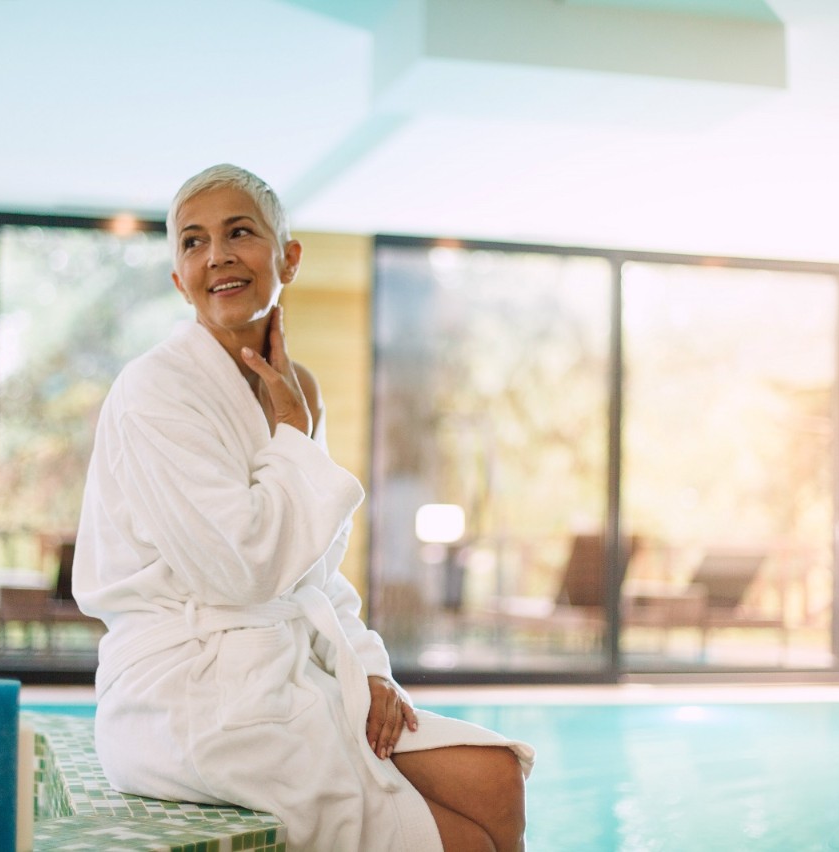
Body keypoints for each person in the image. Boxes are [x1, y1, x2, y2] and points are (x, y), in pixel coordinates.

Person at [72, 164, 533, 851]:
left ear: (287, 255)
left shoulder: (300, 387)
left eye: (240, 233)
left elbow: (312, 568)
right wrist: (291, 428)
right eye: (192, 243)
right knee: (458, 841)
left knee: (497, 780)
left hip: (286, 660)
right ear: (178, 279)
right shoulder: (155, 391)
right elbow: (243, 570)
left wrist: (369, 667)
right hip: (190, 692)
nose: (217, 255)